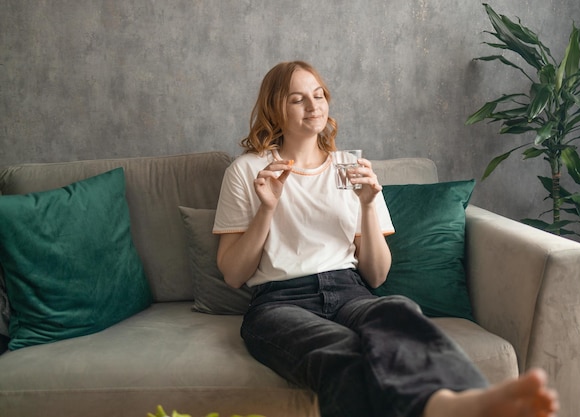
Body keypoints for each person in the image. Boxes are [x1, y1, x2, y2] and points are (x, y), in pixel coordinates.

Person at [213, 60, 559, 417]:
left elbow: (376, 276)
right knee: (342, 351)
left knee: (398, 312)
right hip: (279, 301)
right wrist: (266, 209)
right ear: (275, 109)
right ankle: (440, 406)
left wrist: (367, 206)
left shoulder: (350, 169)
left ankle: (457, 402)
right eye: (298, 99)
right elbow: (234, 275)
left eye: (318, 95)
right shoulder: (248, 170)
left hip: (348, 290)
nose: (314, 106)